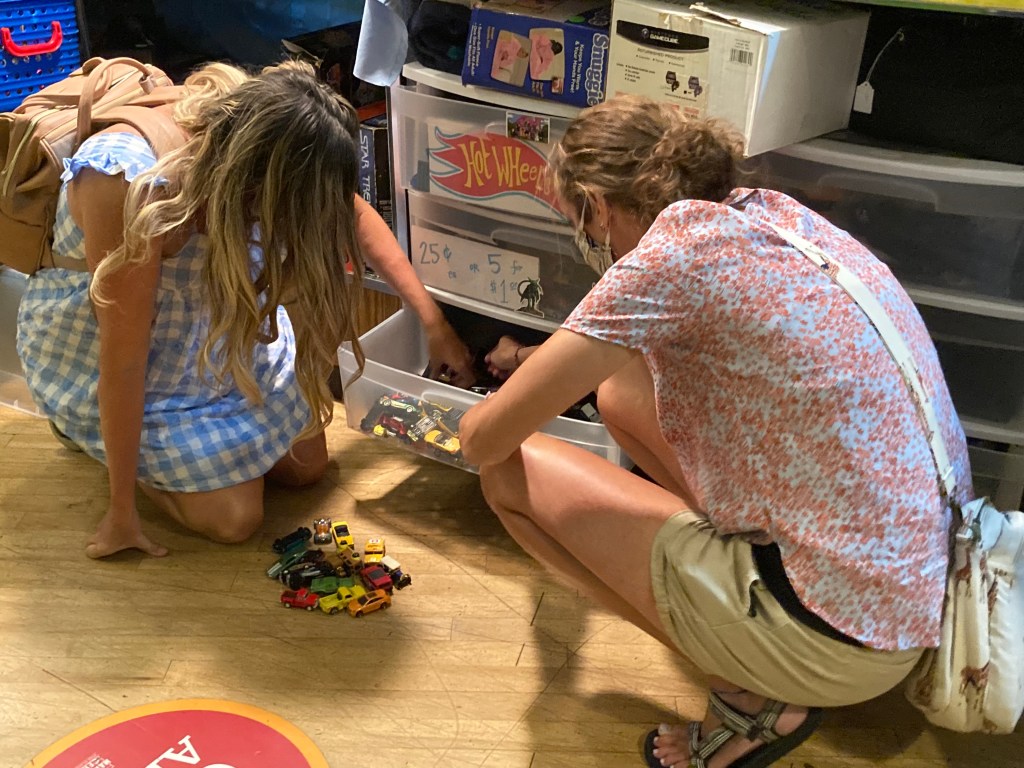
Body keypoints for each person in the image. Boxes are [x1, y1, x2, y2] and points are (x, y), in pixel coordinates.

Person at [459, 95, 971, 768]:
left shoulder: (665, 261)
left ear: (599, 207)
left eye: (580, 223)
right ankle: (741, 605)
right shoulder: (770, 215)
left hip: (838, 643)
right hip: (922, 591)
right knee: (621, 393)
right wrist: (535, 361)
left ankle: (752, 695)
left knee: (505, 474)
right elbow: (623, 370)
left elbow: (484, 439)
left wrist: (480, 401)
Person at [16, 61, 473, 560]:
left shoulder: (260, 123)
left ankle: (194, 460)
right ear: (252, 187)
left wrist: (435, 325)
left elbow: (352, 212)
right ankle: (89, 435)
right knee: (235, 519)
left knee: (307, 469)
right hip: (116, 358)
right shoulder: (128, 182)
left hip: (212, 329)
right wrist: (121, 512)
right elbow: (123, 359)